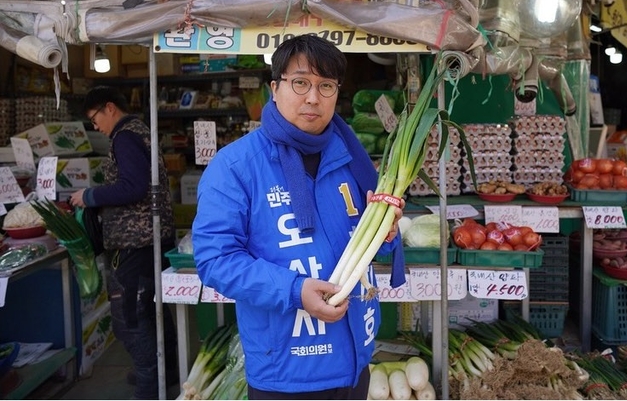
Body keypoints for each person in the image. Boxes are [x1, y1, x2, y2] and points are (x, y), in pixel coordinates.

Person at [192, 34, 405, 400]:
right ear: (275, 88)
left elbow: (367, 247)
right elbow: (216, 261)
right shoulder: (235, 166)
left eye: (326, 86)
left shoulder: (351, 160)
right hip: (287, 372)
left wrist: (385, 236)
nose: (313, 97)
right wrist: (295, 290)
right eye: (301, 82)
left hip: (355, 362)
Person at [69, 85, 178, 400]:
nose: (95, 127)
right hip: (151, 237)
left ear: (109, 108)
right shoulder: (138, 131)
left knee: (129, 317)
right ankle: (165, 370)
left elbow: (133, 187)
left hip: (137, 241)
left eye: (94, 119)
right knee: (152, 309)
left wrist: (89, 195)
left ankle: (149, 387)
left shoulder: (125, 137)